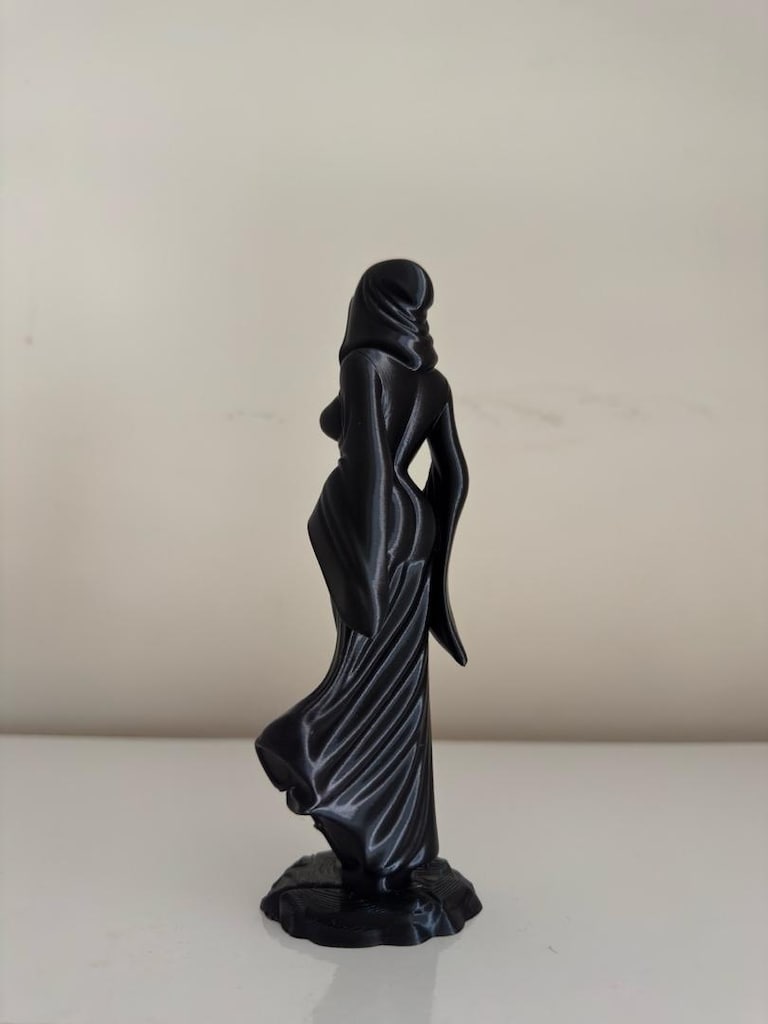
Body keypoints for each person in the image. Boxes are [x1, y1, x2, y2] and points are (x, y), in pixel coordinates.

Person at [255, 259, 469, 896]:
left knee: (361, 666)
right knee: (396, 683)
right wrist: (433, 542)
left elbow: (370, 462)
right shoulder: (433, 383)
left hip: (370, 522)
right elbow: (454, 476)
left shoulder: (365, 364)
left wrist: (370, 560)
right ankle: (394, 842)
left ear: (369, 302)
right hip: (414, 525)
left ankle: (301, 745)